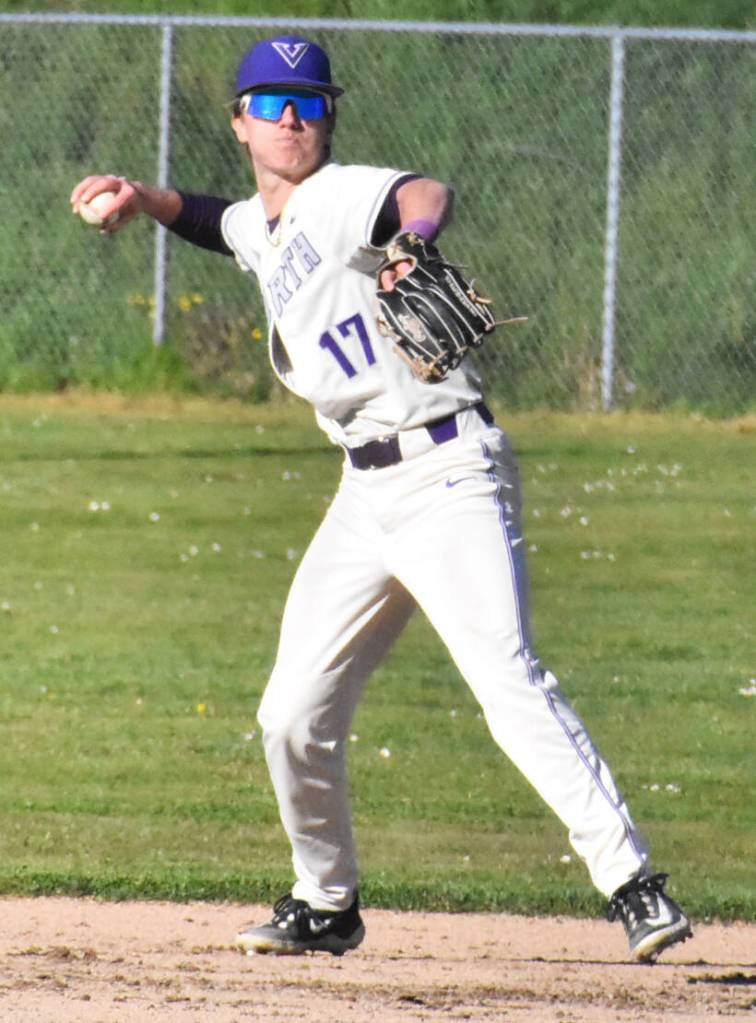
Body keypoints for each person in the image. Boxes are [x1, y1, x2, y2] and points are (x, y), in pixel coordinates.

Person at [71, 33, 692, 963]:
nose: (292, 117)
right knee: (291, 714)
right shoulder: (265, 224)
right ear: (239, 121)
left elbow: (423, 193)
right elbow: (216, 219)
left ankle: (634, 884)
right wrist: (142, 196)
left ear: (329, 119)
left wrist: (409, 241)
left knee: (506, 678)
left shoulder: (334, 194)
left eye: (310, 103)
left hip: (450, 477)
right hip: (364, 496)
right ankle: (326, 901)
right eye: (273, 102)